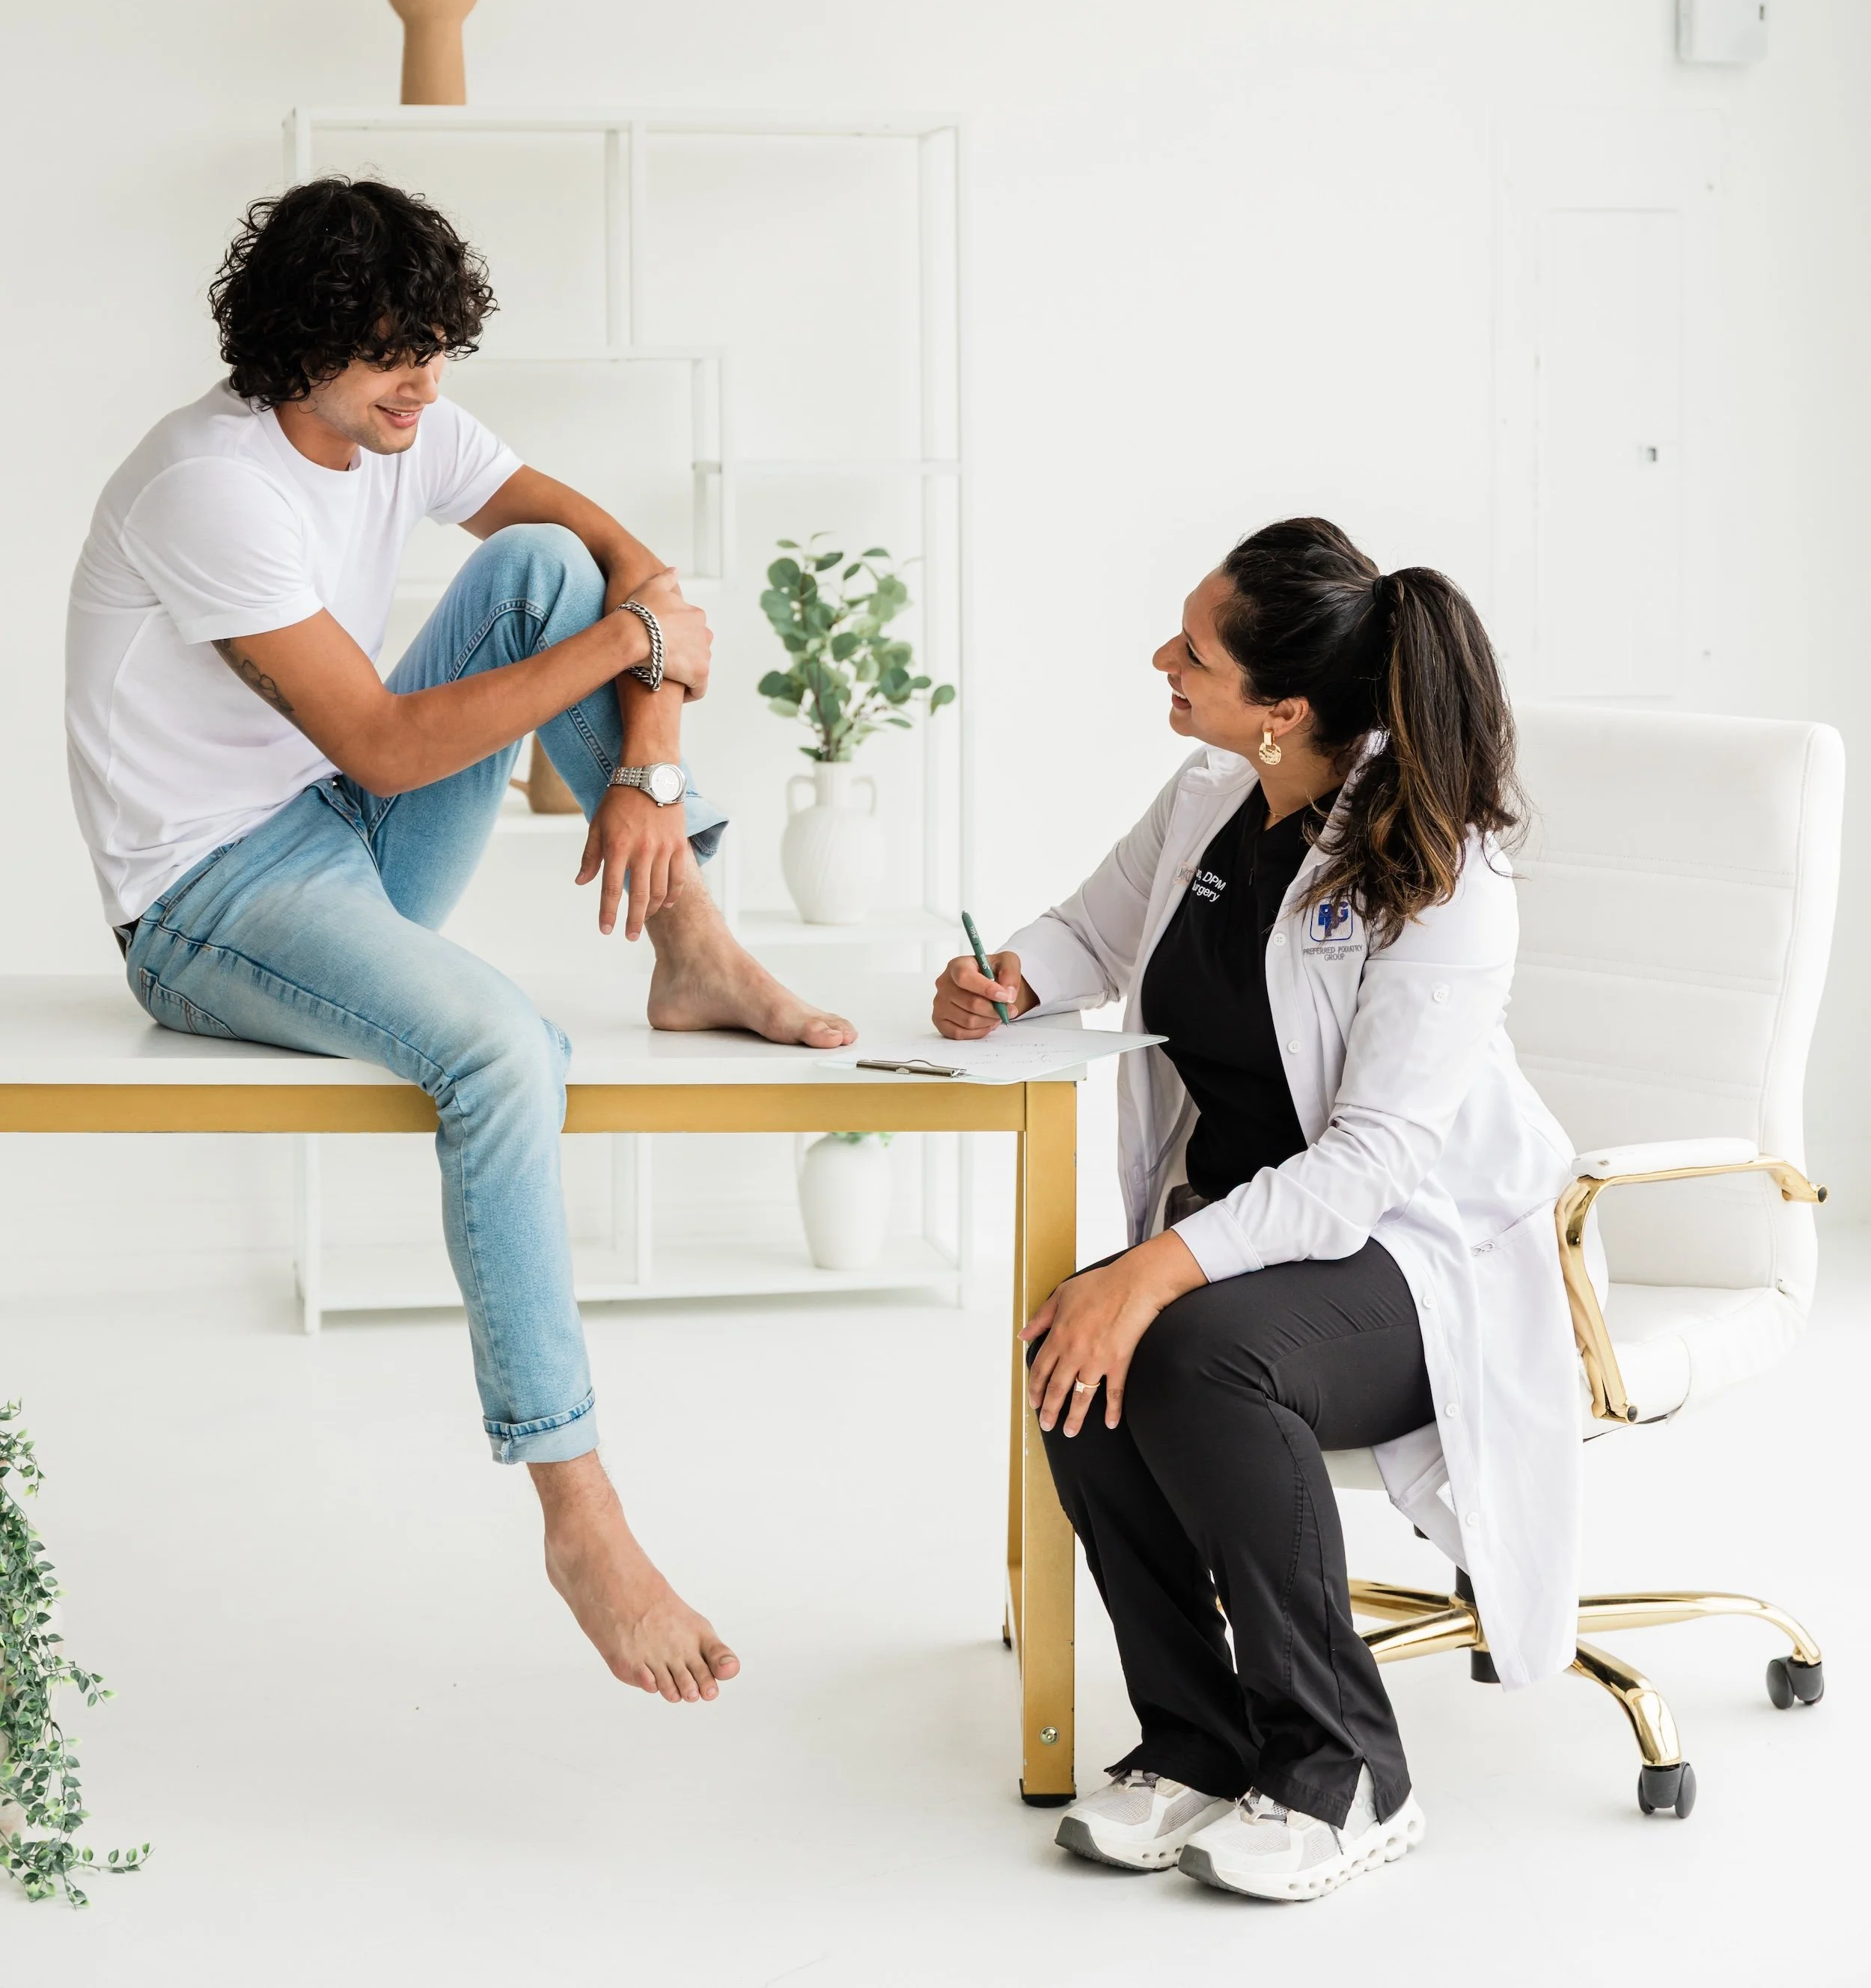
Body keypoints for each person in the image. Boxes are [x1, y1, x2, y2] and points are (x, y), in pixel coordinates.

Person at [66, 175, 858, 1708]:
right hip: (207, 901)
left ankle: (690, 944)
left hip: (335, 843)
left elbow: (628, 569)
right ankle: (579, 1513)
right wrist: (637, 653)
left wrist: (650, 764)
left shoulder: (410, 422)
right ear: (296, 349)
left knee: (540, 571)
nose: (421, 389)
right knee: (502, 1048)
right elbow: (379, 745)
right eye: (387, 357)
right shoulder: (208, 488)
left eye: (435, 350)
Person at [933, 517, 1581, 1903]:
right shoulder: (1209, 792)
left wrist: (1158, 1268)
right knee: (1075, 1343)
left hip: (1415, 1259)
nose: (1163, 660)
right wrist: (1009, 981)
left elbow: (1373, 1163)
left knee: (1183, 1346)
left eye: (1196, 652)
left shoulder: (1439, 870)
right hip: (1245, 1230)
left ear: (1283, 710)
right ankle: (1195, 1739)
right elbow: (1096, 933)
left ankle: (1346, 1768)